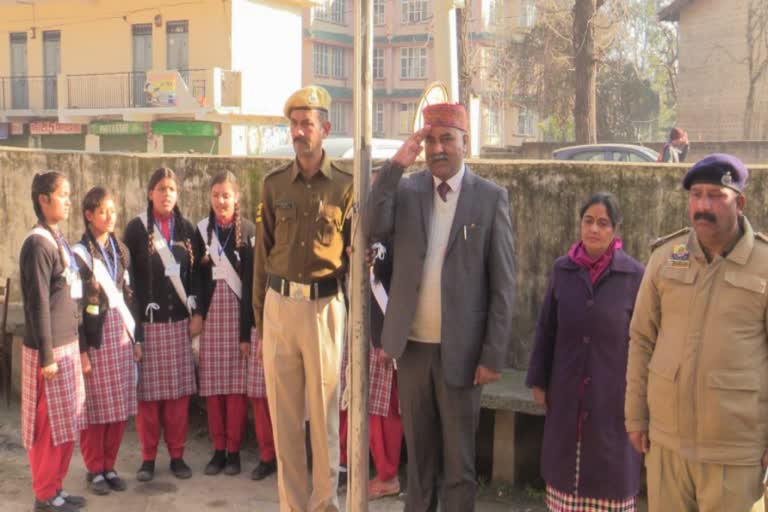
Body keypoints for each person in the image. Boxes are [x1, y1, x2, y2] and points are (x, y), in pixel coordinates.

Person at [365, 103, 516, 512]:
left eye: (447, 138)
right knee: (420, 462)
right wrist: (396, 165)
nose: (437, 148)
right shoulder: (408, 190)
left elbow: (503, 286)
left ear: (466, 143)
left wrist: (491, 356)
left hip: (463, 356)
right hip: (412, 350)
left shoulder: (489, 199)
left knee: (459, 465)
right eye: (430, 139)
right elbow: (371, 226)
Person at [626, 153, 768, 511]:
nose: (703, 206)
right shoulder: (664, 258)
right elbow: (642, 339)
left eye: (716, 196)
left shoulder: (764, 264)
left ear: (740, 202)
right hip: (667, 444)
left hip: (735, 452)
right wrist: (636, 416)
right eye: (696, 195)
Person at [253, 85, 353, 511]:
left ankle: (325, 504)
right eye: (293, 124)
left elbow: (353, 255)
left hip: (324, 309)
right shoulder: (274, 185)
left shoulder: (346, 186)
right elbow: (263, 253)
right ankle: (292, 506)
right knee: (286, 423)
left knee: (325, 420)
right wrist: (262, 319)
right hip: (280, 309)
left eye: (306, 123)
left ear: (325, 129)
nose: (298, 131)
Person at [526, 192, 644, 512]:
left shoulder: (634, 276)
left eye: (603, 223)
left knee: (611, 478)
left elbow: (645, 340)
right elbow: (546, 327)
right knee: (564, 480)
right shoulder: (563, 270)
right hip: (566, 395)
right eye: (588, 221)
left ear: (615, 229)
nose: (594, 229)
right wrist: (539, 380)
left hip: (613, 398)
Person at [123, 167, 203, 482]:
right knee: (148, 399)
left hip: (179, 324)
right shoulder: (136, 230)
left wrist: (196, 312)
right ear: (149, 193)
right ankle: (147, 459)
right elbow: (128, 283)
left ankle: (177, 456)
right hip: (149, 325)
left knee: (178, 398)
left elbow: (197, 276)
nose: (166, 193)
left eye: (171, 188)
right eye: (160, 188)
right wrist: (136, 331)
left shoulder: (187, 229)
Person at [20, 171, 87, 512]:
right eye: (62, 194)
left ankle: (56, 489)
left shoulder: (57, 239)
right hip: (50, 354)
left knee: (65, 425)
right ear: (42, 200)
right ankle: (45, 494)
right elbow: (37, 305)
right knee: (47, 429)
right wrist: (47, 356)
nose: (68, 200)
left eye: (69, 194)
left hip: (67, 346)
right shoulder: (37, 244)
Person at [73, 187, 140, 495]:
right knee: (96, 409)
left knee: (118, 407)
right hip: (96, 337)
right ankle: (94, 468)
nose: (110, 217)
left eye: (112, 211)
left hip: (121, 336)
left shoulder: (121, 251)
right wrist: (83, 350)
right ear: (89, 216)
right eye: (103, 212)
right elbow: (75, 308)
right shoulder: (80, 255)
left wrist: (136, 338)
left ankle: (110, 464)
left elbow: (129, 296)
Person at [193, 171, 258, 477]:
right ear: (210, 197)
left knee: (235, 391)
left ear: (236, 198)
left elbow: (251, 287)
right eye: (216, 195)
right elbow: (194, 276)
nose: (221, 201)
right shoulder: (201, 231)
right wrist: (197, 314)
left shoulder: (248, 232)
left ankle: (234, 451)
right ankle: (218, 450)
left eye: (226, 195)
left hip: (236, 319)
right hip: (211, 320)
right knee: (213, 389)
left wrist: (246, 333)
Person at [338, 238, 403, 500]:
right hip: (357, 326)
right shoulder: (353, 231)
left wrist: (392, 336)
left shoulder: (397, 229)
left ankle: (388, 475)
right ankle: (348, 462)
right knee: (350, 398)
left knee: (384, 406)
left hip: (384, 333)